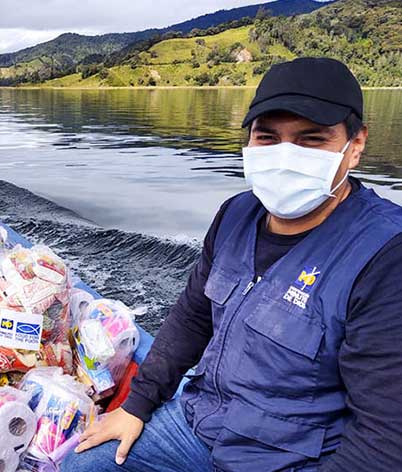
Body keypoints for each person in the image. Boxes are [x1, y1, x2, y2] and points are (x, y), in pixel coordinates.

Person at [62, 57, 402, 471]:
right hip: (201, 423)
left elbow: (384, 434)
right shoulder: (236, 214)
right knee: (82, 464)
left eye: (311, 140)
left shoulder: (384, 254)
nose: (284, 155)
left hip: (289, 458)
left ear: (356, 144)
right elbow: (191, 318)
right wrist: (137, 404)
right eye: (267, 137)